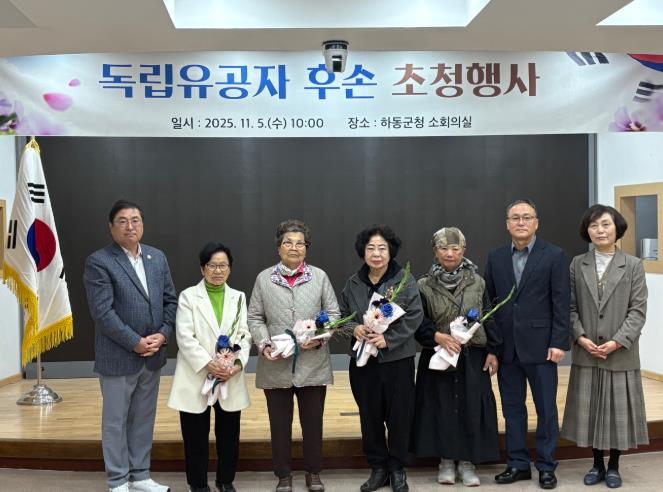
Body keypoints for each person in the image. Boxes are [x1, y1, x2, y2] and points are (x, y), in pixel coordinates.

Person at [83, 199, 177, 492]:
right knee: (115, 421)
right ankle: (117, 480)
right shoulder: (99, 261)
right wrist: (134, 342)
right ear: (111, 227)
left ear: (142, 225)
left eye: (135, 220)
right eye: (122, 221)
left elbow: (170, 301)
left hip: (153, 355)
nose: (130, 226)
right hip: (118, 356)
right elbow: (102, 313)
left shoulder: (156, 257)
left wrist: (163, 334)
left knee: (143, 419)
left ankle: (140, 475)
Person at [248, 219, 341, 492]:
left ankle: (314, 473)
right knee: (279, 425)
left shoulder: (319, 277)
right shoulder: (264, 279)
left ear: (306, 248)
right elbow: (255, 317)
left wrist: (318, 337)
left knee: (313, 424)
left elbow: (333, 314)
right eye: (288, 242)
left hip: (313, 364)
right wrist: (264, 344)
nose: (294, 247)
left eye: (300, 243)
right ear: (279, 247)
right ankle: (283, 475)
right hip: (275, 364)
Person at [484, 199, 570, 490]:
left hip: (542, 346)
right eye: (515, 217)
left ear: (536, 222)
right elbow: (489, 305)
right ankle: (518, 464)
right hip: (506, 348)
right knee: (512, 409)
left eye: (527, 217)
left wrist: (559, 342)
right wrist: (492, 348)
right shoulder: (495, 257)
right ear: (507, 223)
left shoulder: (554, 255)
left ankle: (546, 465)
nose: (521, 222)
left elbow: (561, 302)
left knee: (546, 409)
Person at [561, 205, 648, 489]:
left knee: (615, 412)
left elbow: (638, 311)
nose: (600, 230)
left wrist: (617, 341)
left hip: (620, 353)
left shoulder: (633, 265)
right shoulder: (577, 264)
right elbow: (569, 307)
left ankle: (614, 466)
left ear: (617, 228)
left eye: (605, 224)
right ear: (587, 231)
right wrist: (579, 336)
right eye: (594, 225)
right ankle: (596, 463)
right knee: (591, 411)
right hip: (587, 350)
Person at [411, 227, 501, 487]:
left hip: (472, 356)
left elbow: (489, 316)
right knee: (441, 408)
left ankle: (468, 462)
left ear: (464, 250)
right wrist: (437, 337)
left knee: (471, 407)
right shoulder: (423, 285)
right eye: (443, 248)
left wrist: (493, 350)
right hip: (439, 355)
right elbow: (418, 321)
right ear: (435, 251)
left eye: (455, 248)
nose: (449, 253)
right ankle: (446, 461)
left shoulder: (478, 282)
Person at [339, 225, 423, 492]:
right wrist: (354, 328)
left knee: (399, 416)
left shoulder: (404, 280)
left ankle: (397, 468)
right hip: (364, 363)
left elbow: (415, 315)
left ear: (390, 252)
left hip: (397, 360)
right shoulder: (353, 283)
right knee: (370, 415)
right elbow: (342, 316)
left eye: (382, 248)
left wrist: (389, 339)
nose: (376, 254)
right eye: (371, 248)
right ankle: (378, 467)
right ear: (363, 252)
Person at [167, 242, 251, 492]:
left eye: (223, 265)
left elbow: (244, 335)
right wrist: (210, 364)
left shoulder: (238, 297)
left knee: (229, 435)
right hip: (196, 375)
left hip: (229, 376)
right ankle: (198, 484)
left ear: (230, 268)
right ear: (202, 268)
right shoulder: (188, 296)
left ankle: (225, 480)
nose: (218, 270)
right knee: (195, 436)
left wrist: (236, 365)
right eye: (212, 265)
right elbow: (185, 337)